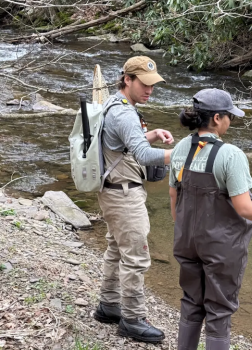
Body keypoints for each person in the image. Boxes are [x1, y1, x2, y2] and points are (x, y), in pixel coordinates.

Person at [169, 88, 252, 350]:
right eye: (229, 116)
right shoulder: (231, 155)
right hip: (220, 247)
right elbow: (245, 209)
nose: (231, 121)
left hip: (186, 242)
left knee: (192, 302)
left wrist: (186, 232)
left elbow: (175, 198)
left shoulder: (180, 148)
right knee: (219, 311)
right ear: (217, 118)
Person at [94, 56, 173, 343]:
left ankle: (108, 305)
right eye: (145, 83)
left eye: (154, 84)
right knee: (136, 256)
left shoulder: (115, 104)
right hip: (124, 195)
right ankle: (132, 319)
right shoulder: (125, 113)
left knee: (116, 249)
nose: (150, 89)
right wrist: (187, 154)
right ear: (127, 79)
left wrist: (149, 134)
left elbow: (121, 142)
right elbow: (144, 156)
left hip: (112, 191)